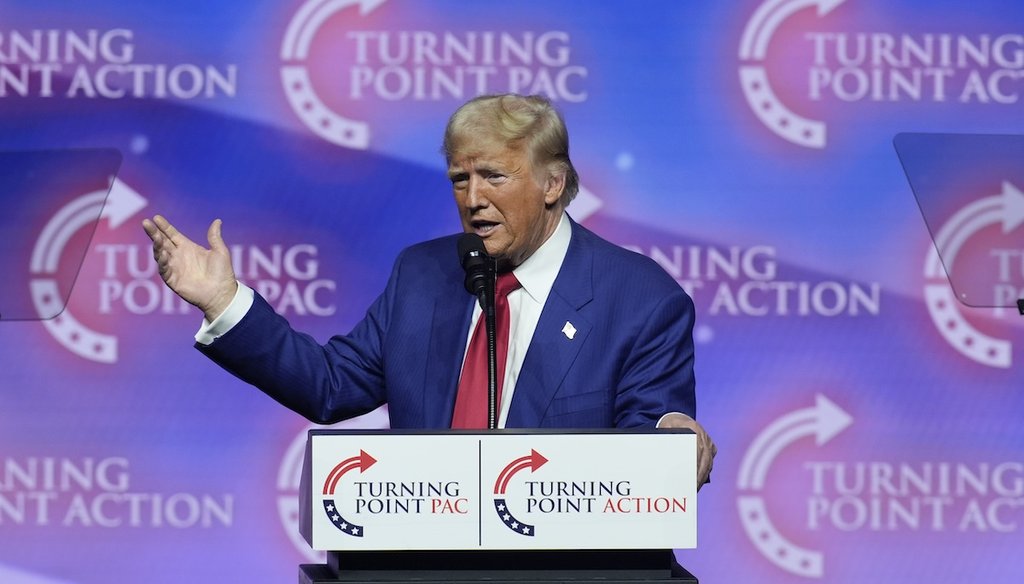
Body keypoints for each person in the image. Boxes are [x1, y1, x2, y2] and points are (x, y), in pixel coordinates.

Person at [143, 94, 715, 488]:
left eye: (493, 176)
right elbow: (330, 385)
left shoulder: (639, 300)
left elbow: (650, 446)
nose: (472, 199)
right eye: (459, 179)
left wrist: (669, 438)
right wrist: (223, 303)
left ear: (553, 184)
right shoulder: (422, 275)